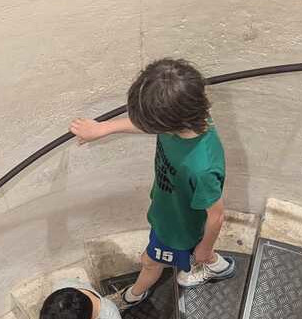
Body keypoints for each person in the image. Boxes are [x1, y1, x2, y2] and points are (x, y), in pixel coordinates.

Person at [70, 58, 236, 306]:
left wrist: (202, 248)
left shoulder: (202, 167)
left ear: (169, 124)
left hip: (177, 230)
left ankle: (133, 296)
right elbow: (149, 124)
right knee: (184, 255)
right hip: (168, 211)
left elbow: (216, 216)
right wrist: (103, 128)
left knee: (150, 262)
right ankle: (217, 265)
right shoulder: (190, 118)